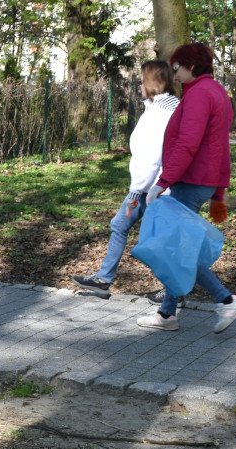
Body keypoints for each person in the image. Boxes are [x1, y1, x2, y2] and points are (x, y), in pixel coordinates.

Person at [137, 42, 236, 334]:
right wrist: (219, 190)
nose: (173, 75)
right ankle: (167, 314)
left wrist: (162, 182)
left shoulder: (199, 94)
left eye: (177, 68)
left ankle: (225, 299)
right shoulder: (217, 91)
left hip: (192, 180)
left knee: (176, 248)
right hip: (203, 179)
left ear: (192, 66)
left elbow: (188, 143)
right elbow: (219, 145)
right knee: (179, 244)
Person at [71, 61, 180, 299]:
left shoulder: (159, 115)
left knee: (154, 242)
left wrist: (136, 191)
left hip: (153, 190)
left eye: (142, 80)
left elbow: (151, 158)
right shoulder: (163, 109)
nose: (139, 85)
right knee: (121, 225)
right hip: (152, 188)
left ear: (151, 83)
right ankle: (103, 279)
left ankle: (174, 292)